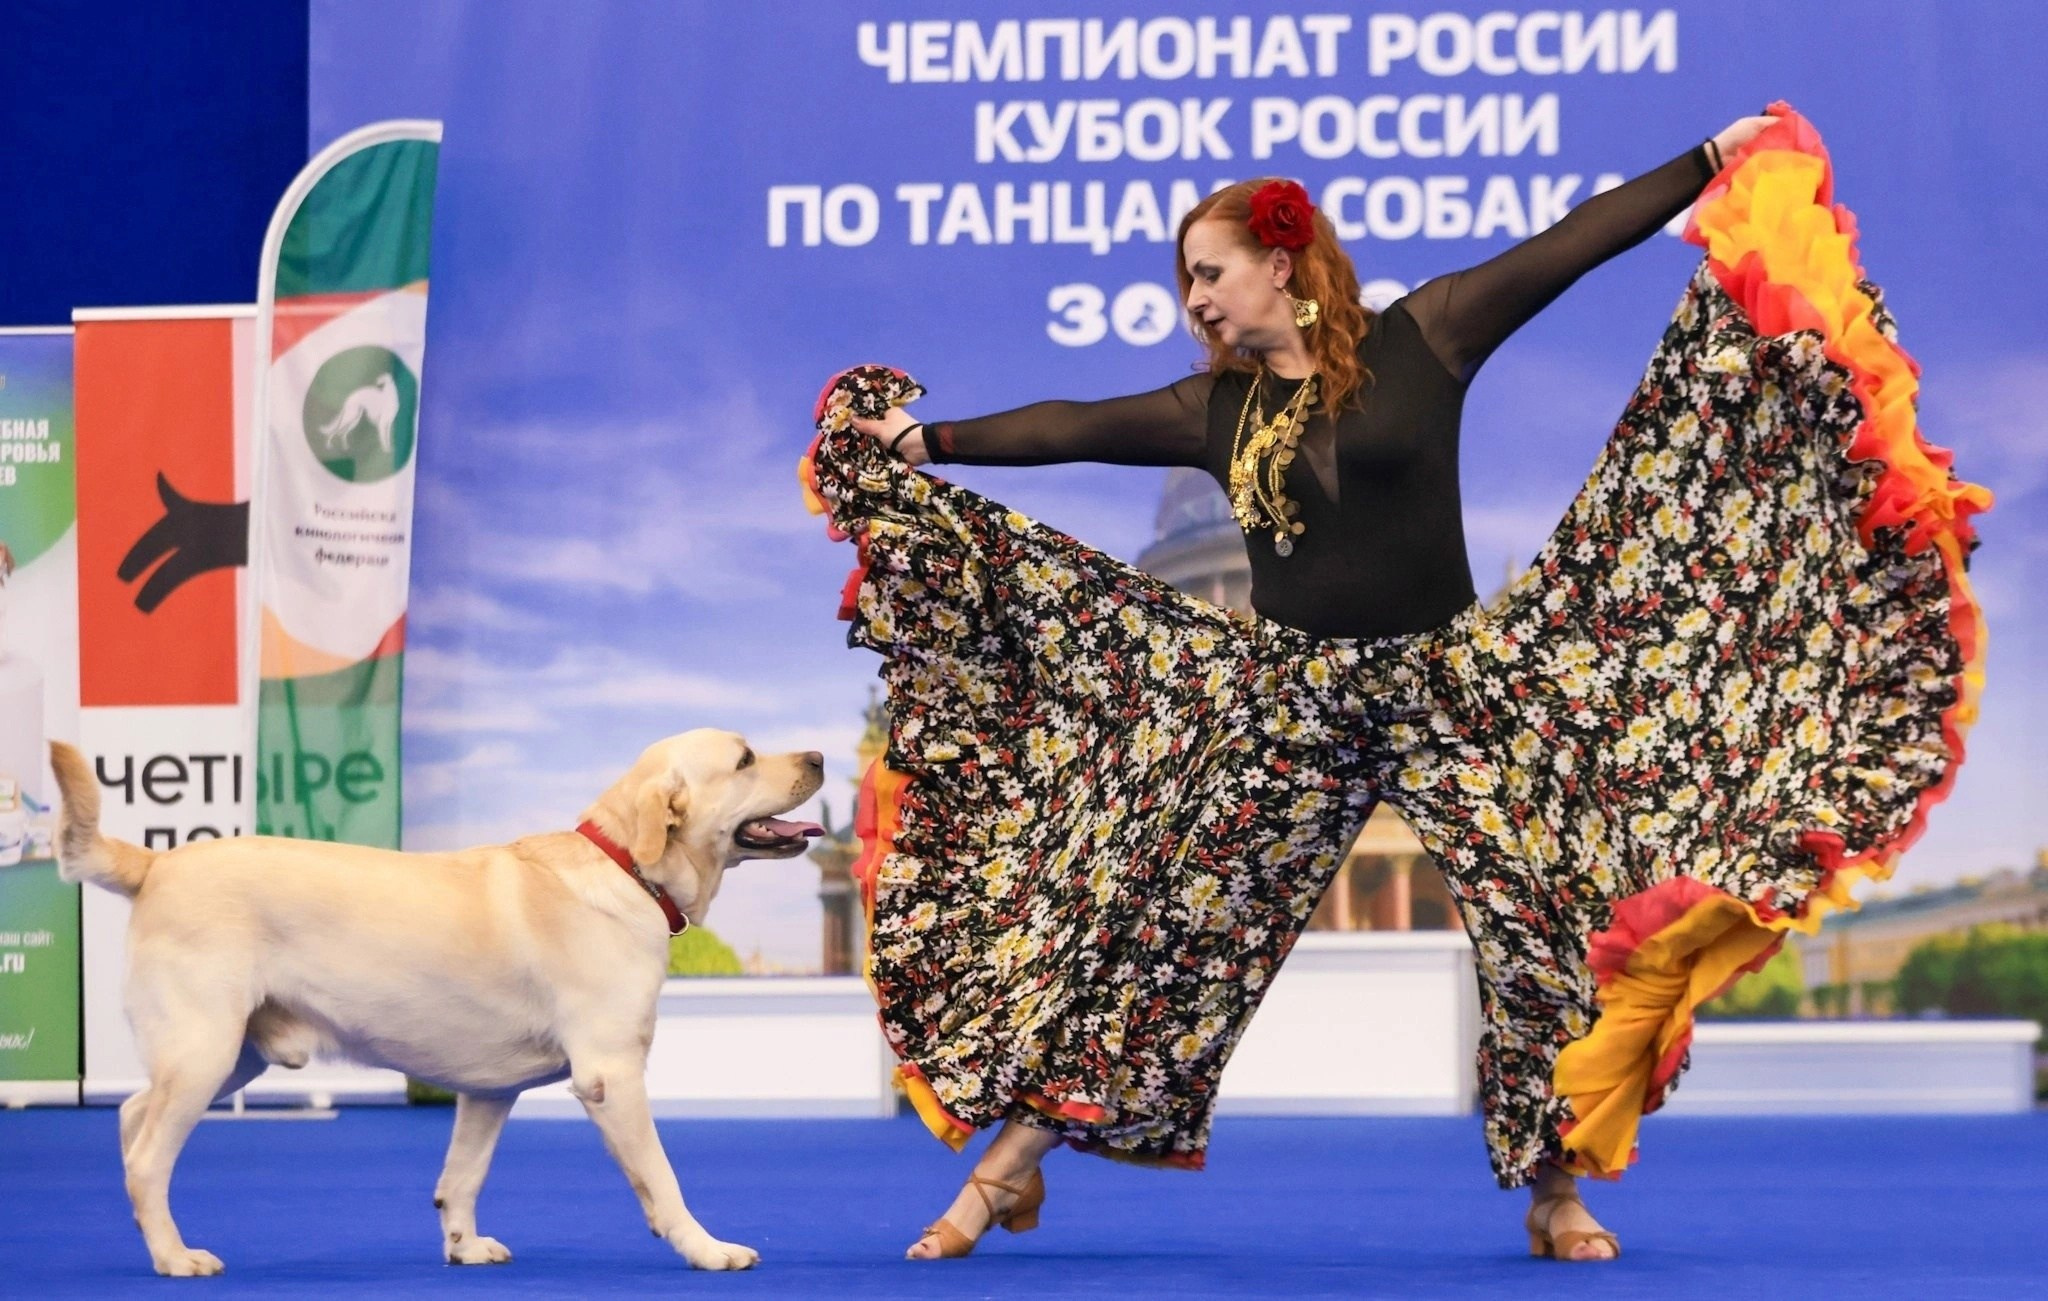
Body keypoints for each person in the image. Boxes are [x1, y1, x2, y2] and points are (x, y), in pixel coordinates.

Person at [800, 105, 1988, 1263]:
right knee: (1176, 931)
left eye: (1211, 273)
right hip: (1291, 703)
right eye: (1186, 284)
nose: (1197, 301)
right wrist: (927, 442)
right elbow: (1064, 425)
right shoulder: (1209, 409)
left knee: (1536, 929)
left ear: (1281, 261)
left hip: (1447, 692)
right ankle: (1007, 1170)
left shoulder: (1426, 337)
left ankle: (1552, 1188)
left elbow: (1566, 243)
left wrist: (1703, 161)